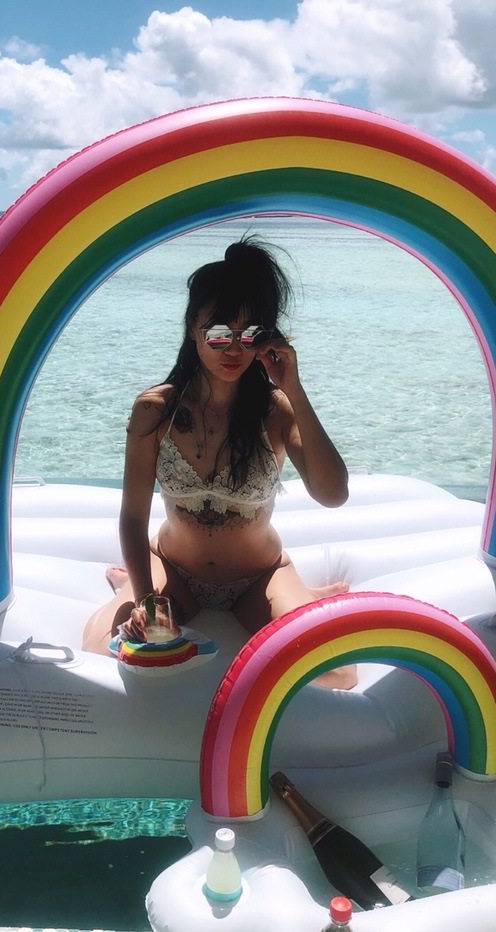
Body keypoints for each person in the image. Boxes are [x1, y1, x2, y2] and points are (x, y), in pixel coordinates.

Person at [81, 237, 355, 687]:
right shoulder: (155, 411)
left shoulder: (276, 411)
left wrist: (294, 387)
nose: (233, 348)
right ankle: (127, 583)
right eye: (219, 333)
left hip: (258, 576)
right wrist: (147, 600)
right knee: (101, 650)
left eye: (250, 334)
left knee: (337, 673)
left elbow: (333, 495)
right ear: (193, 330)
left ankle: (302, 593)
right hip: (173, 569)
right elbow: (132, 517)